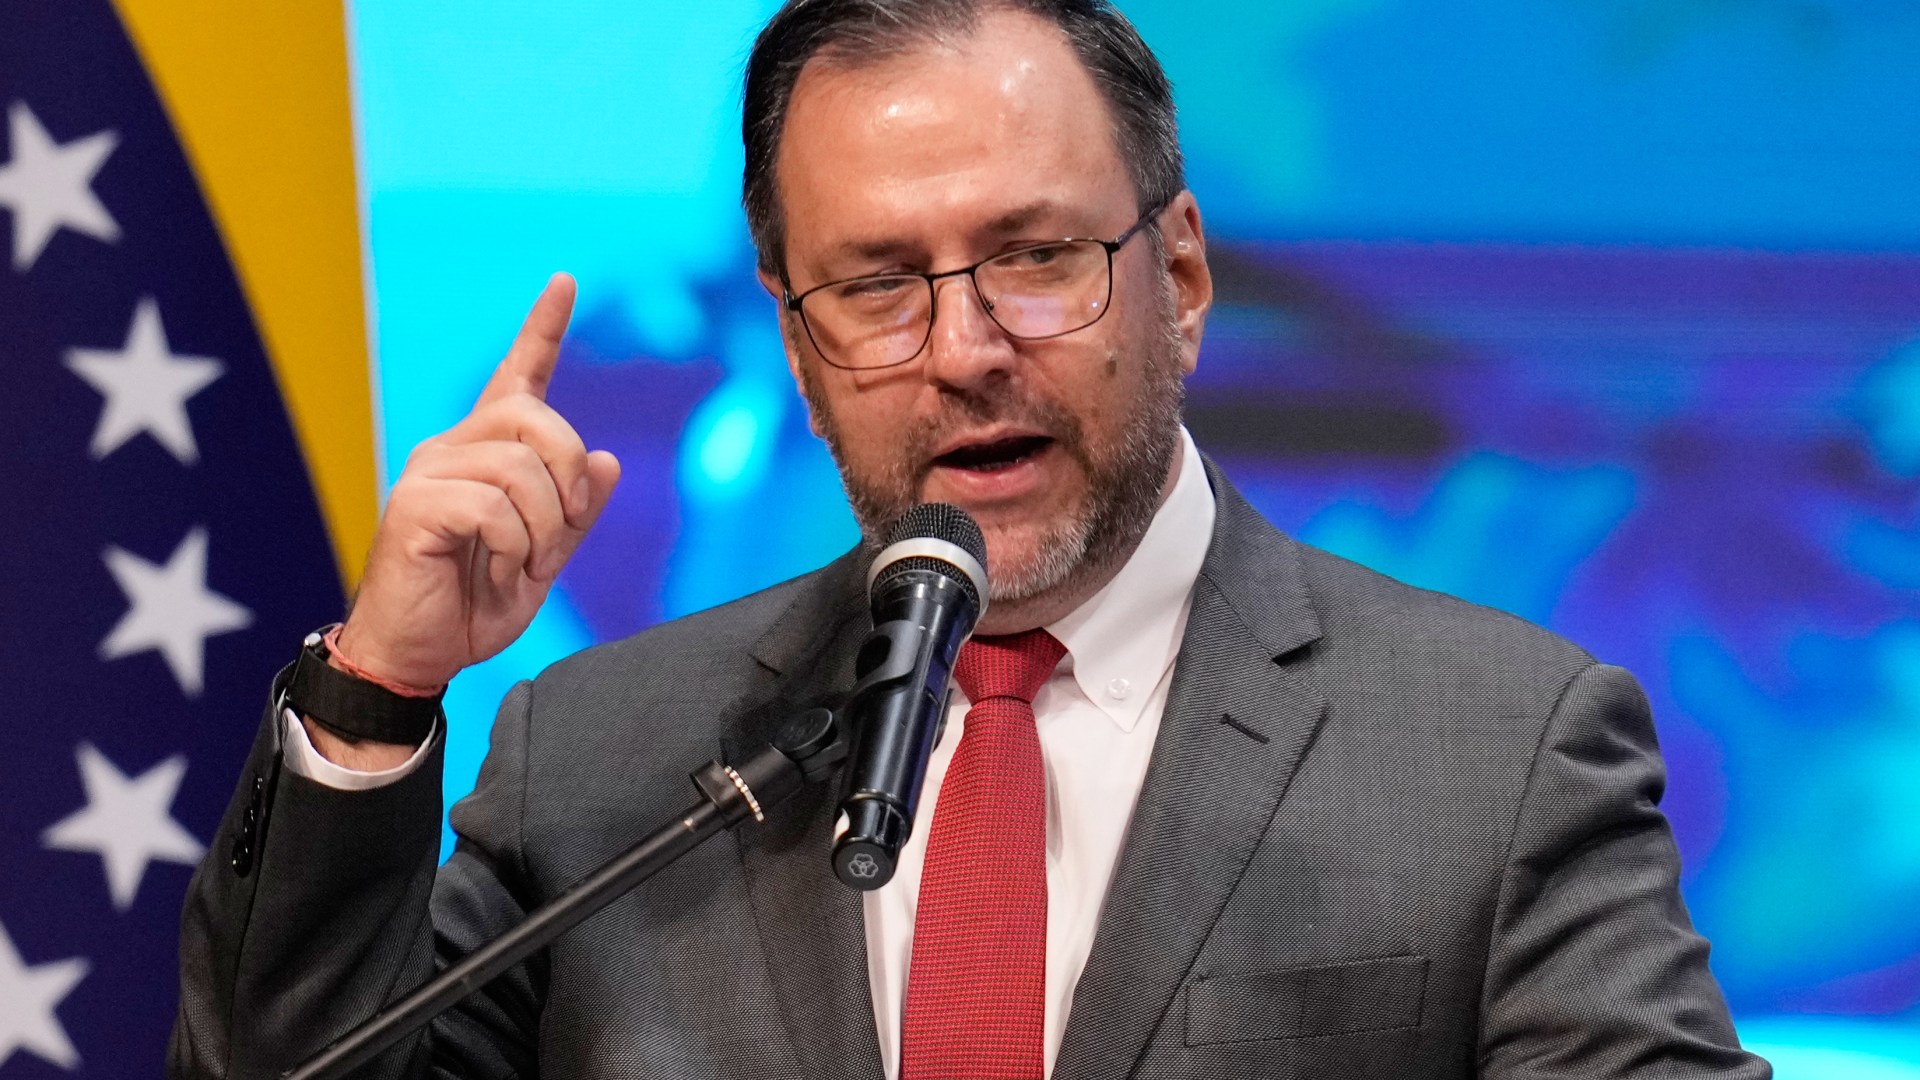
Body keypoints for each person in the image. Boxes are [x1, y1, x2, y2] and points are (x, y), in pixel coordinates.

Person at [171, 2, 1772, 1078]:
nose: (965, 350)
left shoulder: (1499, 752)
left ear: (1181, 279)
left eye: (1036, 258)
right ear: (799, 355)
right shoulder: (599, 764)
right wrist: (379, 690)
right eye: (877, 287)